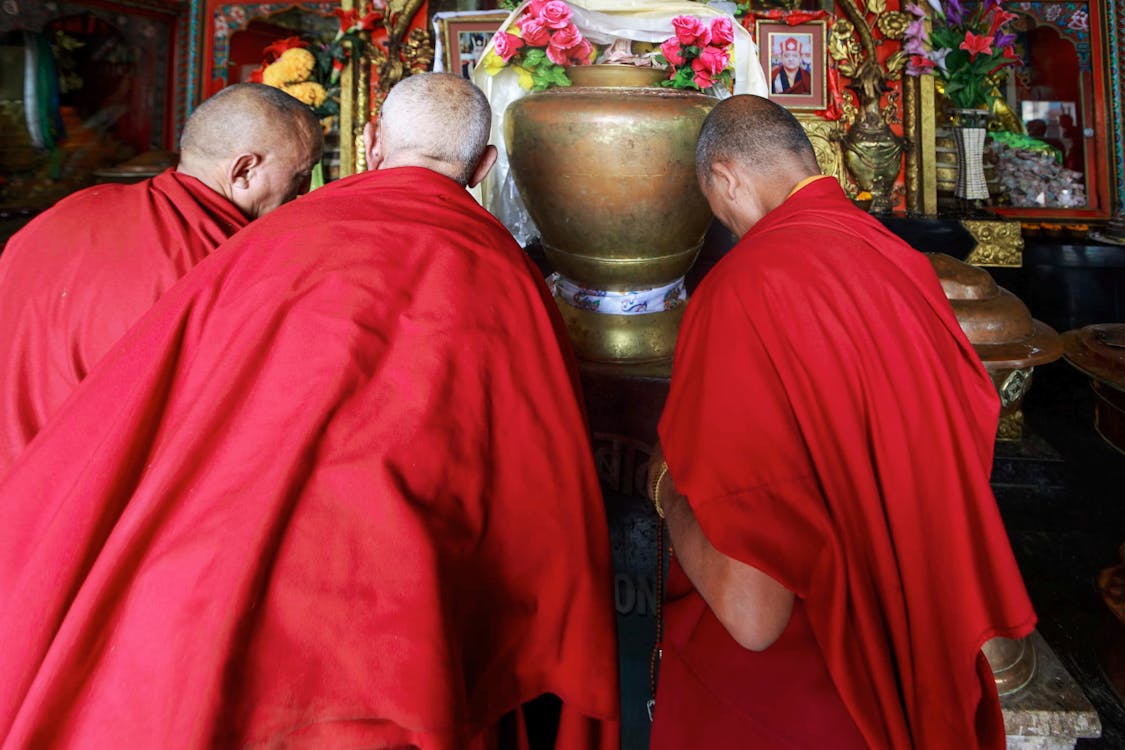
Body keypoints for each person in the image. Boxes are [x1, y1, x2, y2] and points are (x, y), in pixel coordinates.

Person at [0, 72, 619, 748]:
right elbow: (542, 482)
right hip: (398, 614)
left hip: (200, 573)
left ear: (372, 143)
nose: (292, 197)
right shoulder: (508, 277)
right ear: (483, 166)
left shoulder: (267, 245)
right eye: (295, 182)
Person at [646, 95, 1036, 749]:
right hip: (915, 632)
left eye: (721, 213)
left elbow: (751, 613)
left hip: (802, 692)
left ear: (724, 178)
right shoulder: (901, 264)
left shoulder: (744, 287)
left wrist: (661, 486)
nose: (730, 226)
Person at [0, 82, 323, 474]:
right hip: (77, 493)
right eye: (301, 176)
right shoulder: (222, 265)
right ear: (243, 171)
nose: (304, 193)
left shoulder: (69, 210)